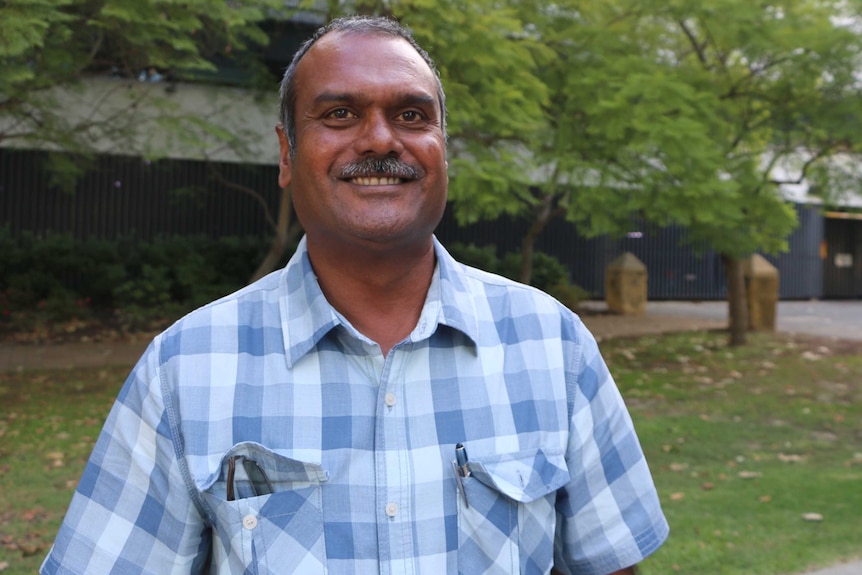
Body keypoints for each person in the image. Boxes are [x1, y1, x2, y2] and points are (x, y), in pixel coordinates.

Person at [42, 15, 668, 575]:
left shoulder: (552, 345)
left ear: (442, 150)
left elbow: (607, 562)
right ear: (287, 153)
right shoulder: (184, 369)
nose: (379, 140)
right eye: (340, 114)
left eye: (412, 115)